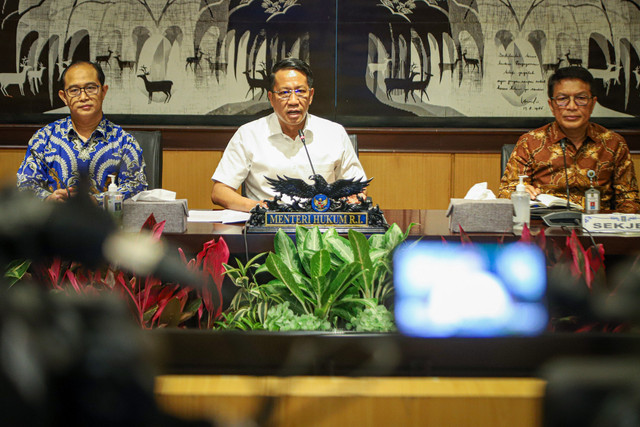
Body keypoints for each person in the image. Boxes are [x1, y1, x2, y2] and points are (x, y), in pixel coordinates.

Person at [211, 57, 366, 212]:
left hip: (322, 225)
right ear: (271, 98)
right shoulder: (248, 134)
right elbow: (220, 192)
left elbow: (357, 186)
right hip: (267, 226)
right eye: (284, 93)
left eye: (300, 91)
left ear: (310, 96)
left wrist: (353, 197)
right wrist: (257, 207)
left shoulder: (334, 133)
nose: (293, 101)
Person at [498, 66, 640, 213]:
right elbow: (505, 193)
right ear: (551, 105)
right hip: (546, 227)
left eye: (581, 98)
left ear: (592, 103)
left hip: (598, 227)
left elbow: (629, 199)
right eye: (562, 99)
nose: (571, 106)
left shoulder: (614, 143)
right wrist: (521, 193)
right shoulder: (530, 142)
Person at [17, 60, 147, 205]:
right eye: (74, 91)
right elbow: (25, 184)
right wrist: (48, 198)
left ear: (103, 91)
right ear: (63, 97)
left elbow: (137, 187)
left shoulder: (124, 142)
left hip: (107, 224)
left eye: (91, 88)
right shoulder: (44, 138)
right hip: (55, 223)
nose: (83, 97)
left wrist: (97, 201)